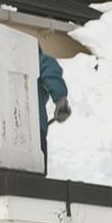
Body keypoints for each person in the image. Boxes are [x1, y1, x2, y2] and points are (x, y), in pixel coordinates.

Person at [38, 46, 71, 175]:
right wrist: (61, 101)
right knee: (36, 178)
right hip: (35, 131)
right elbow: (49, 70)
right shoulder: (37, 60)